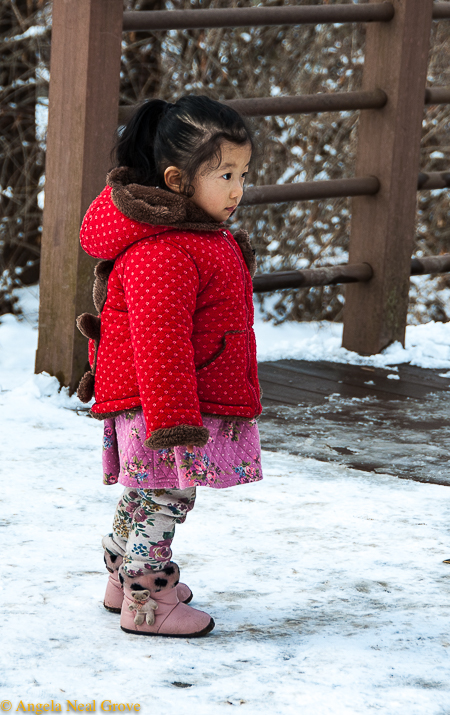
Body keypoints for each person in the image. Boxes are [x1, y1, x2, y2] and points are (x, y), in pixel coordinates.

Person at [76, 96, 263, 638]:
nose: (237, 190)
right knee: (167, 493)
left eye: (243, 174)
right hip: (167, 405)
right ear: (179, 180)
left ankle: (122, 574)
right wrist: (175, 424)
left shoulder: (191, 237)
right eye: (225, 174)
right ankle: (148, 599)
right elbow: (160, 343)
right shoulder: (166, 250)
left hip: (166, 400)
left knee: (145, 490)